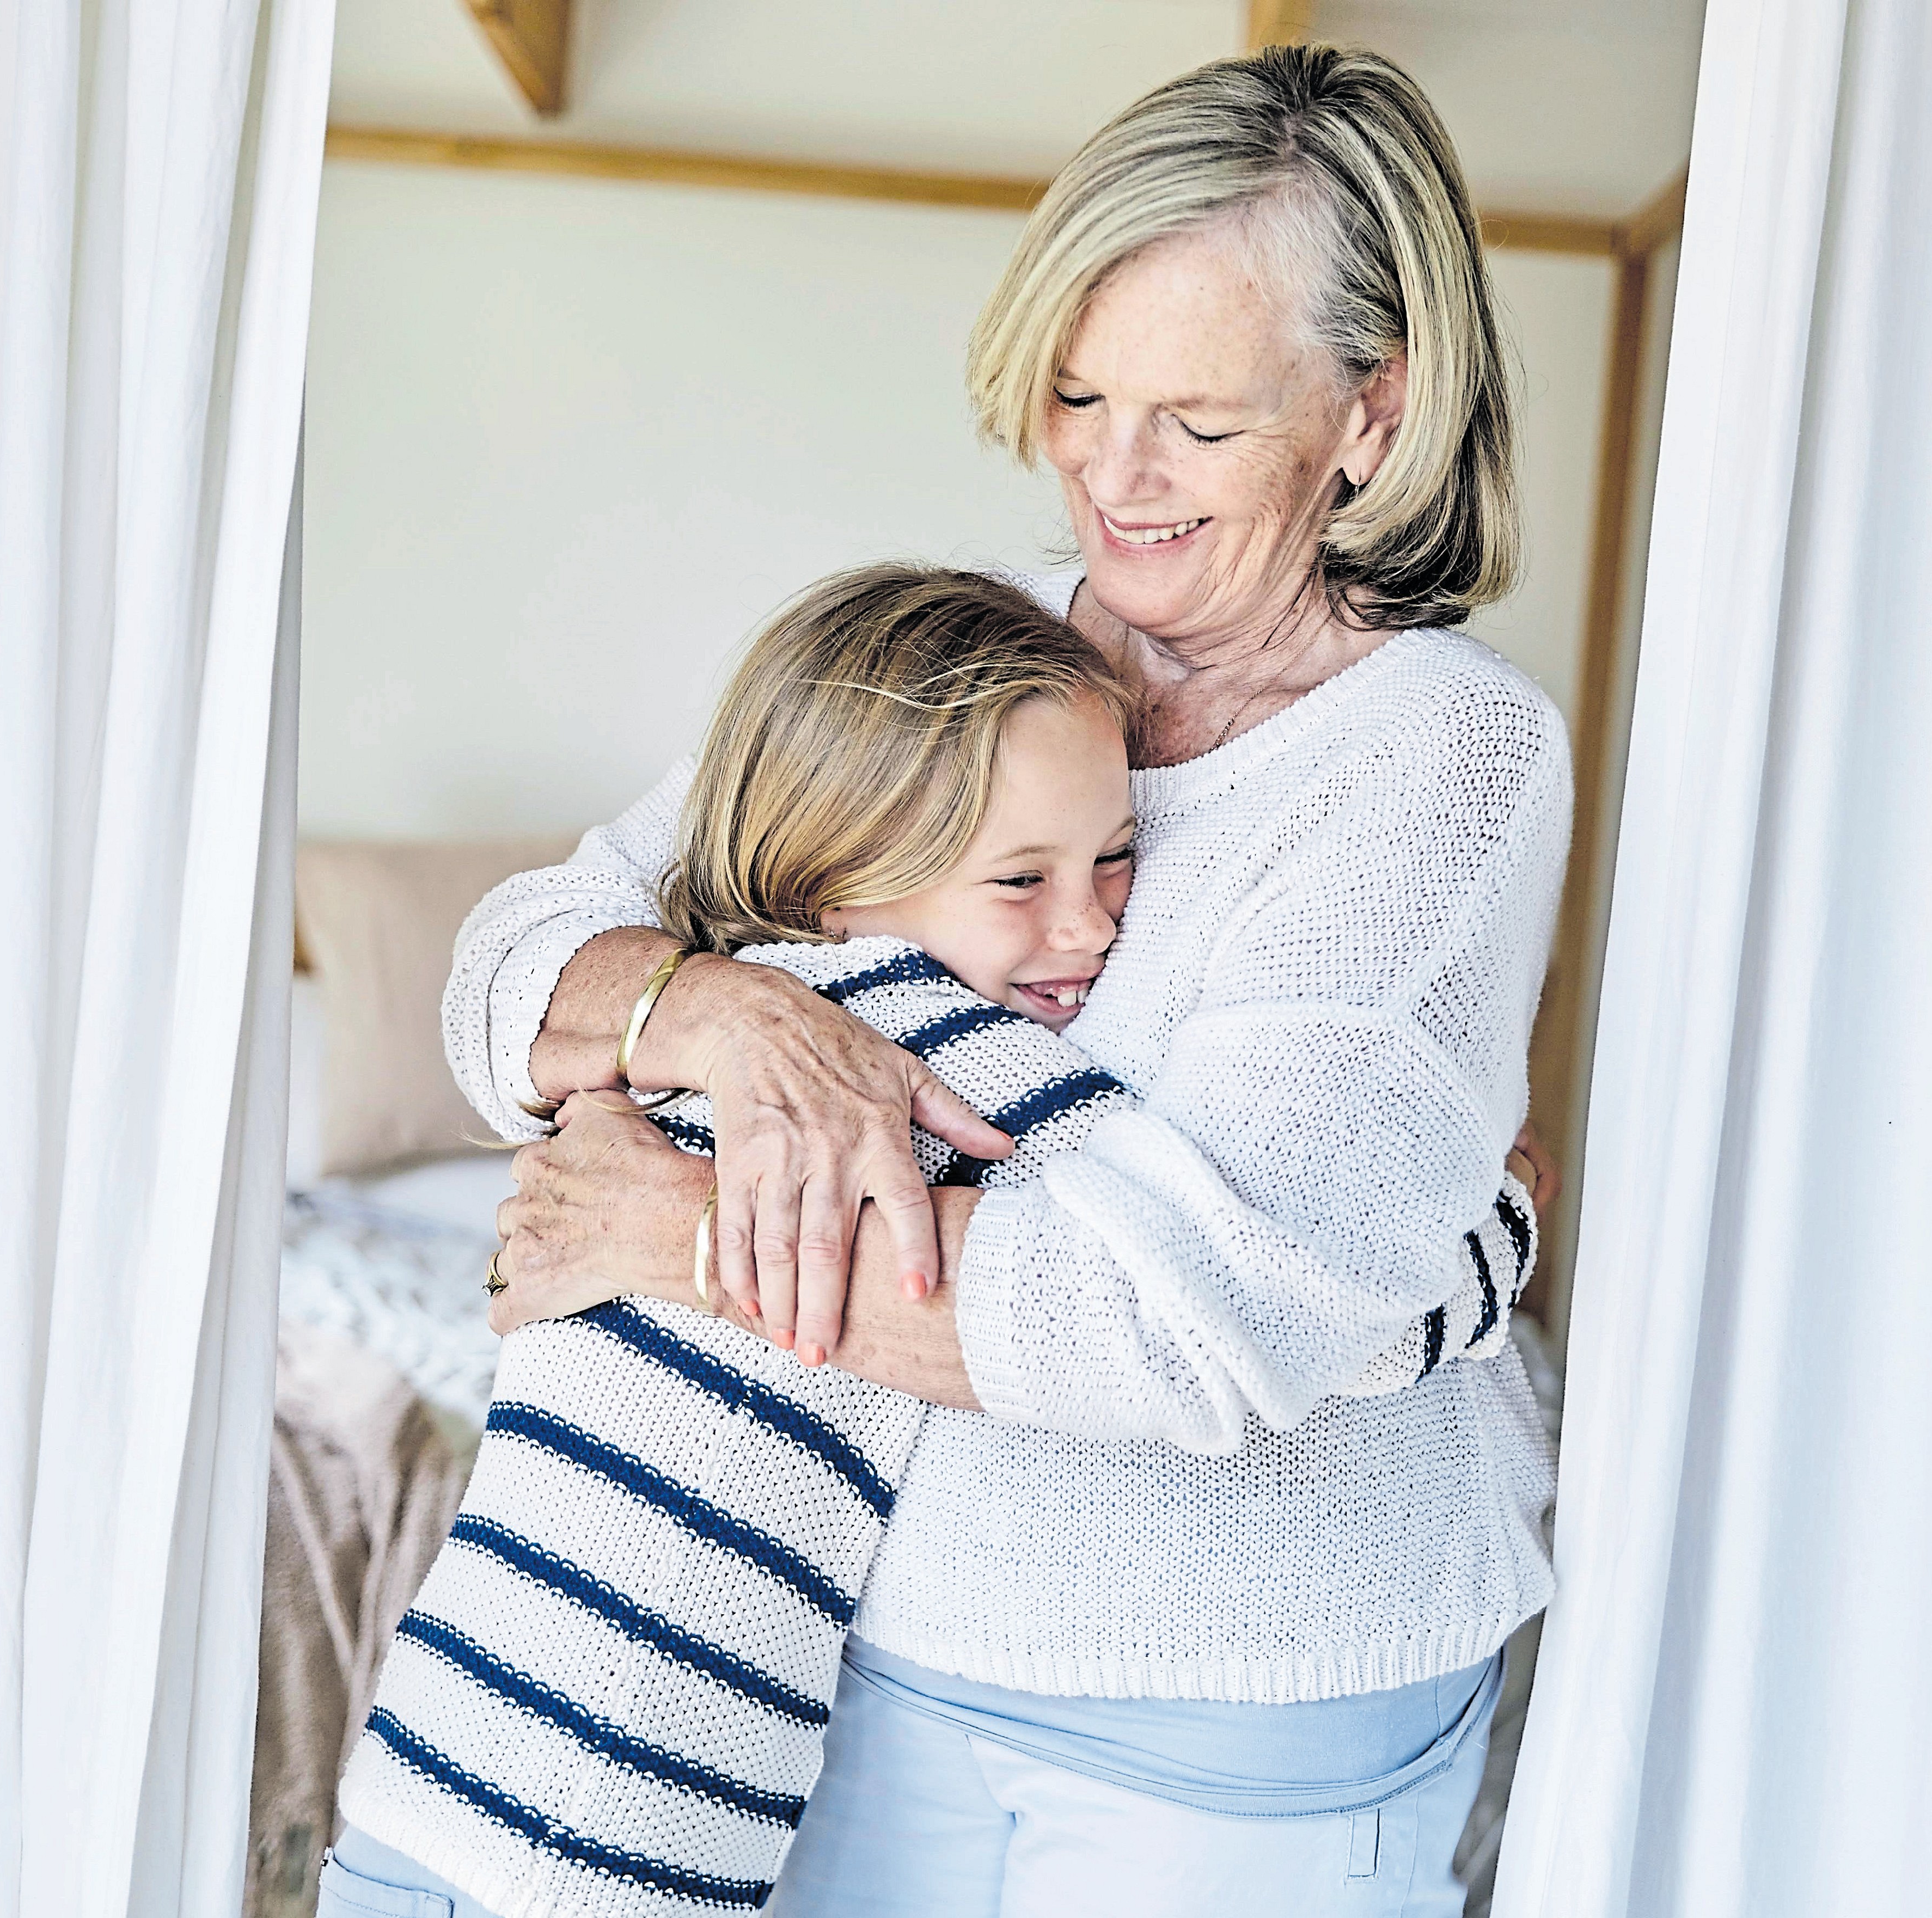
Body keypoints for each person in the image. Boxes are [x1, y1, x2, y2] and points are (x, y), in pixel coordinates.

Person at [451, 44, 1565, 1918]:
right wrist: (730, 1013)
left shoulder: (1440, 758)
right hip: (860, 1653)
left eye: (1198, 422)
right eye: (1074, 390)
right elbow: (515, 966)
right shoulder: (967, 642)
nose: (1111, 474)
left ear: (1367, 418)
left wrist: (671, 1222)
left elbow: (1185, 1325)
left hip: (1240, 1708)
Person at [322, 565, 1532, 1917]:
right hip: (608, 1835)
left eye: (1116, 856)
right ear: (840, 884)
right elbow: (1230, 1287)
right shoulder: (933, 1066)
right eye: (1020, 878)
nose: (1090, 926)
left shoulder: (672, 1033)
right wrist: (1491, 1223)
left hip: (439, 1768)